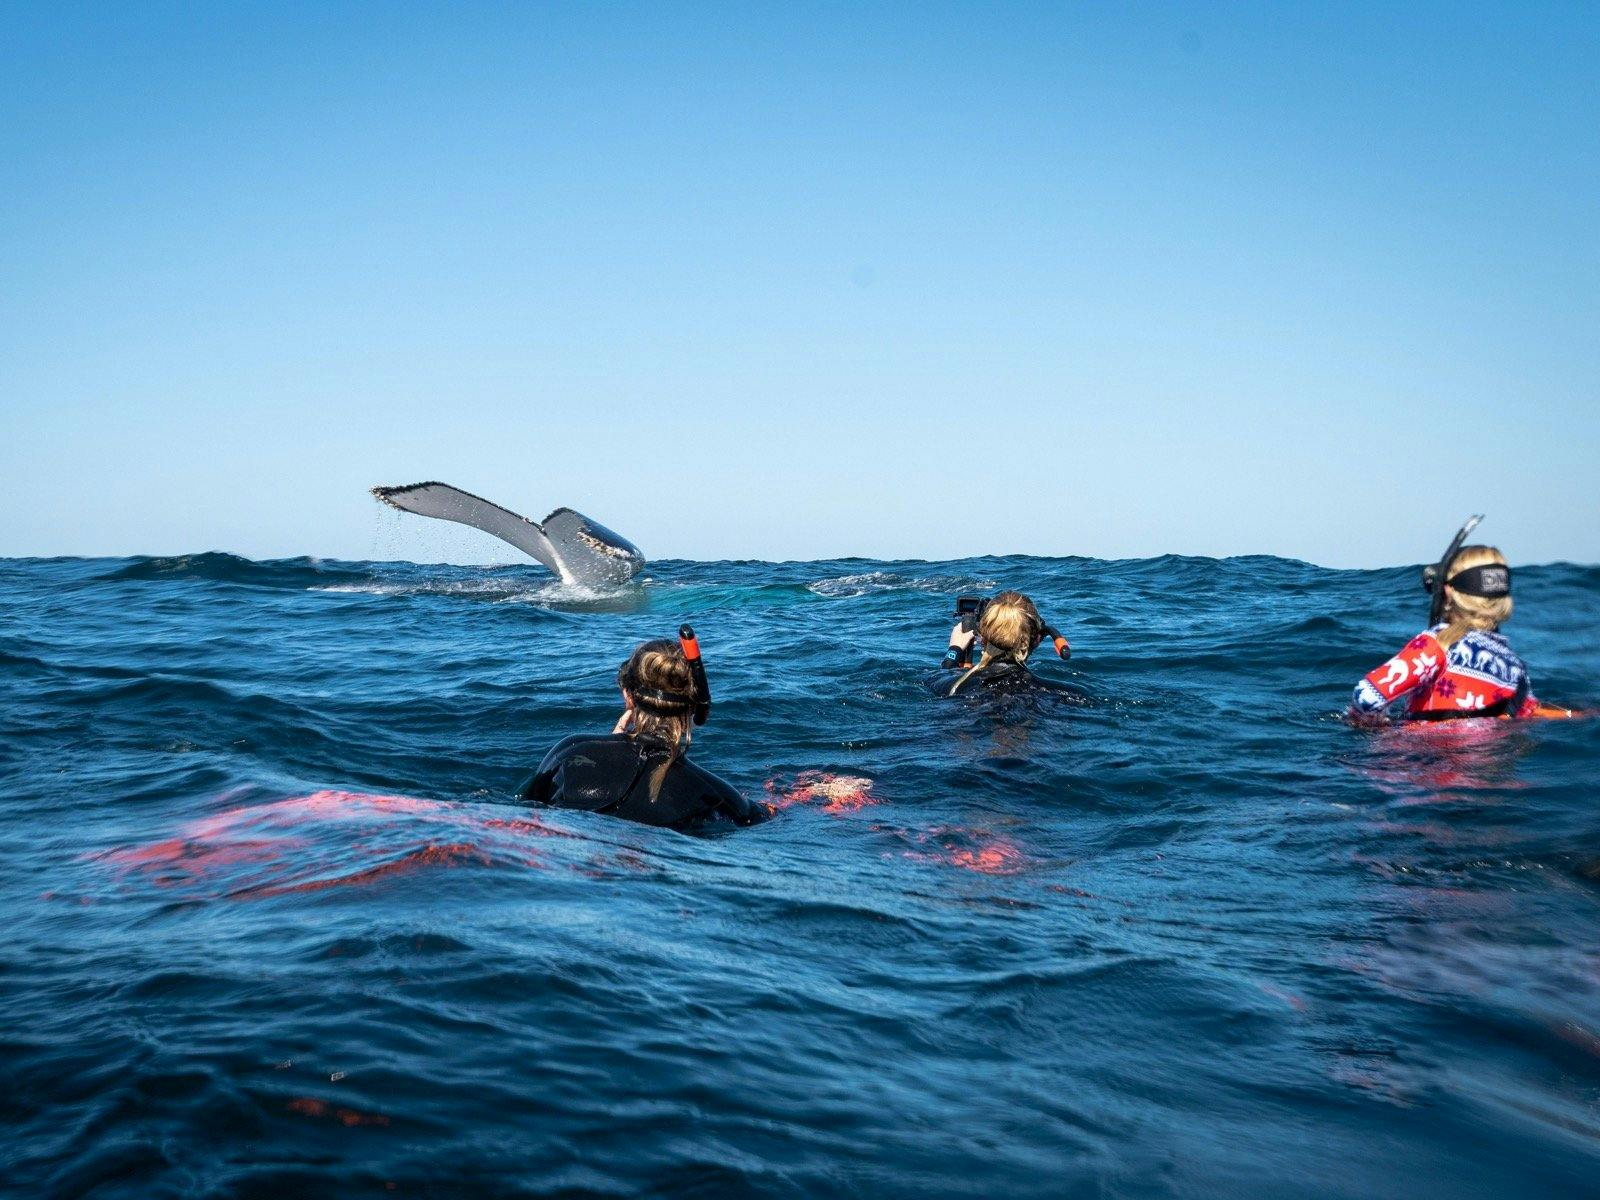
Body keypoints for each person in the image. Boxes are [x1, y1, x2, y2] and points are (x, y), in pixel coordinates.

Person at [518, 630, 766, 829]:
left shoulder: (571, 751)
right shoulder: (717, 796)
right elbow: (761, 820)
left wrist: (610, 752)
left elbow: (526, 813)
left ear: (628, 695)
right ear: (693, 707)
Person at [1351, 526, 1573, 722]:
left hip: (1421, 753)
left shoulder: (1437, 644)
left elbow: (1367, 697)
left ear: (1448, 591)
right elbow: (1531, 713)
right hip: (1490, 755)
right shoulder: (1515, 667)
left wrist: (1374, 723)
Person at [936, 590, 1080, 699]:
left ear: (982, 638)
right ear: (1037, 640)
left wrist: (954, 650)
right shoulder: (1068, 693)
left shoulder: (949, 685)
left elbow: (941, 676)